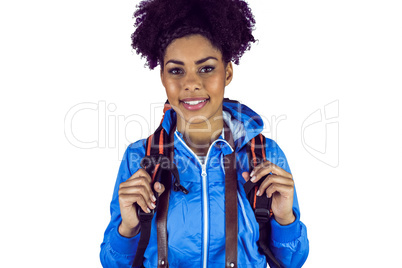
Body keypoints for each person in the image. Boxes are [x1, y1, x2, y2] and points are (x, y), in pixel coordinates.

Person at [100, 0, 309, 267]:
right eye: (176, 70)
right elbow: (111, 262)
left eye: (206, 68)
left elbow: (291, 261)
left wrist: (285, 220)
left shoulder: (265, 155)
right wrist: (128, 229)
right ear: (162, 77)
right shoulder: (139, 158)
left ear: (228, 72)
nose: (190, 84)